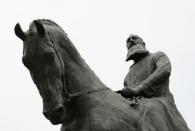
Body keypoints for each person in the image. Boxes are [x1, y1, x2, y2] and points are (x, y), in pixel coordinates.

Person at [118, 34, 190, 131]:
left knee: (151, 109)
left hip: (159, 103)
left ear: (143, 43)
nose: (131, 40)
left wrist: (138, 89)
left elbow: (164, 70)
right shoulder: (127, 78)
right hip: (136, 110)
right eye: (128, 41)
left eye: (134, 38)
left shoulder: (157, 56)